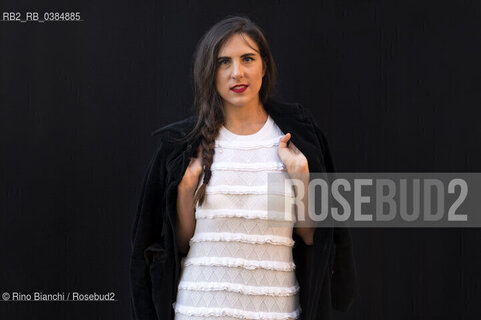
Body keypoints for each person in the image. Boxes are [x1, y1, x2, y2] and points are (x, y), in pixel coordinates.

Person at [130, 16, 358, 320]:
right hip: (201, 309)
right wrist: (186, 190)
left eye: (247, 58)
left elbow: (308, 234)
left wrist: (302, 178)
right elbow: (180, 243)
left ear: (263, 65)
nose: (237, 72)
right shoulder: (183, 147)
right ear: (210, 73)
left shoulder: (296, 139)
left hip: (276, 310)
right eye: (224, 62)